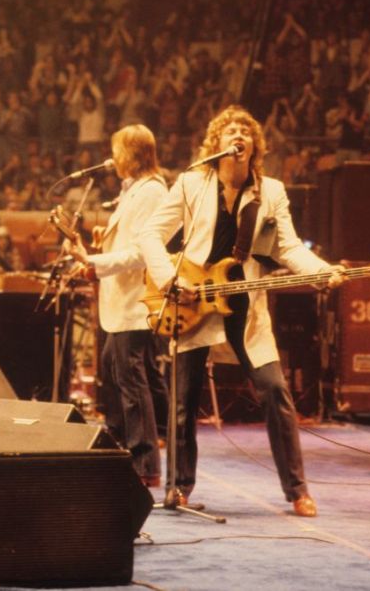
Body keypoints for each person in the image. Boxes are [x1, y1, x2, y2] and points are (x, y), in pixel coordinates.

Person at [136, 105, 345, 517]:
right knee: (183, 398)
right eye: (230, 130)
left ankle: (297, 490)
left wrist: (322, 272)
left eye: (245, 131)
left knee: (275, 390)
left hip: (245, 305)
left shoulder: (271, 191)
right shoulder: (191, 183)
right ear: (215, 145)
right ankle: (179, 488)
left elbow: (287, 248)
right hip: (193, 298)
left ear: (254, 146)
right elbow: (150, 234)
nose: (239, 135)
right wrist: (169, 279)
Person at [66, 124, 168, 489]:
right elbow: (126, 240)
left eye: (119, 151)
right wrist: (100, 244)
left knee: (131, 380)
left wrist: (94, 262)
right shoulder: (131, 192)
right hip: (119, 302)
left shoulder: (152, 192)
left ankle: (145, 464)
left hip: (134, 303)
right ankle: (123, 448)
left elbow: (143, 252)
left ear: (137, 154)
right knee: (116, 372)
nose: (113, 159)